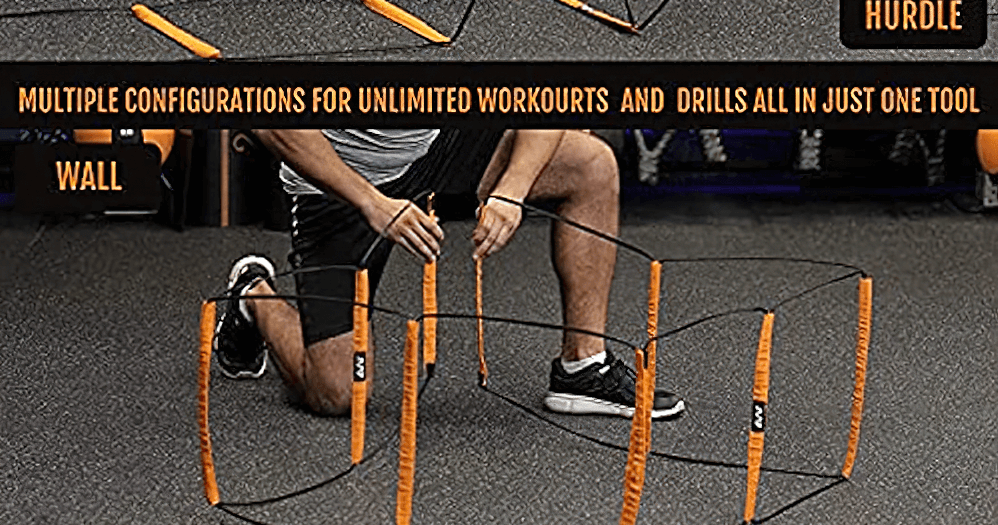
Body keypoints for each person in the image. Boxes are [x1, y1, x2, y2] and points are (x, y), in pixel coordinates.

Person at [213, 127, 685, 420]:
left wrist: (513, 190)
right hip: (338, 187)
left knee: (591, 165)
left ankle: (583, 367)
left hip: (433, 146)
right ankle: (255, 297)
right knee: (336, 394)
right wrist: (372, 203)